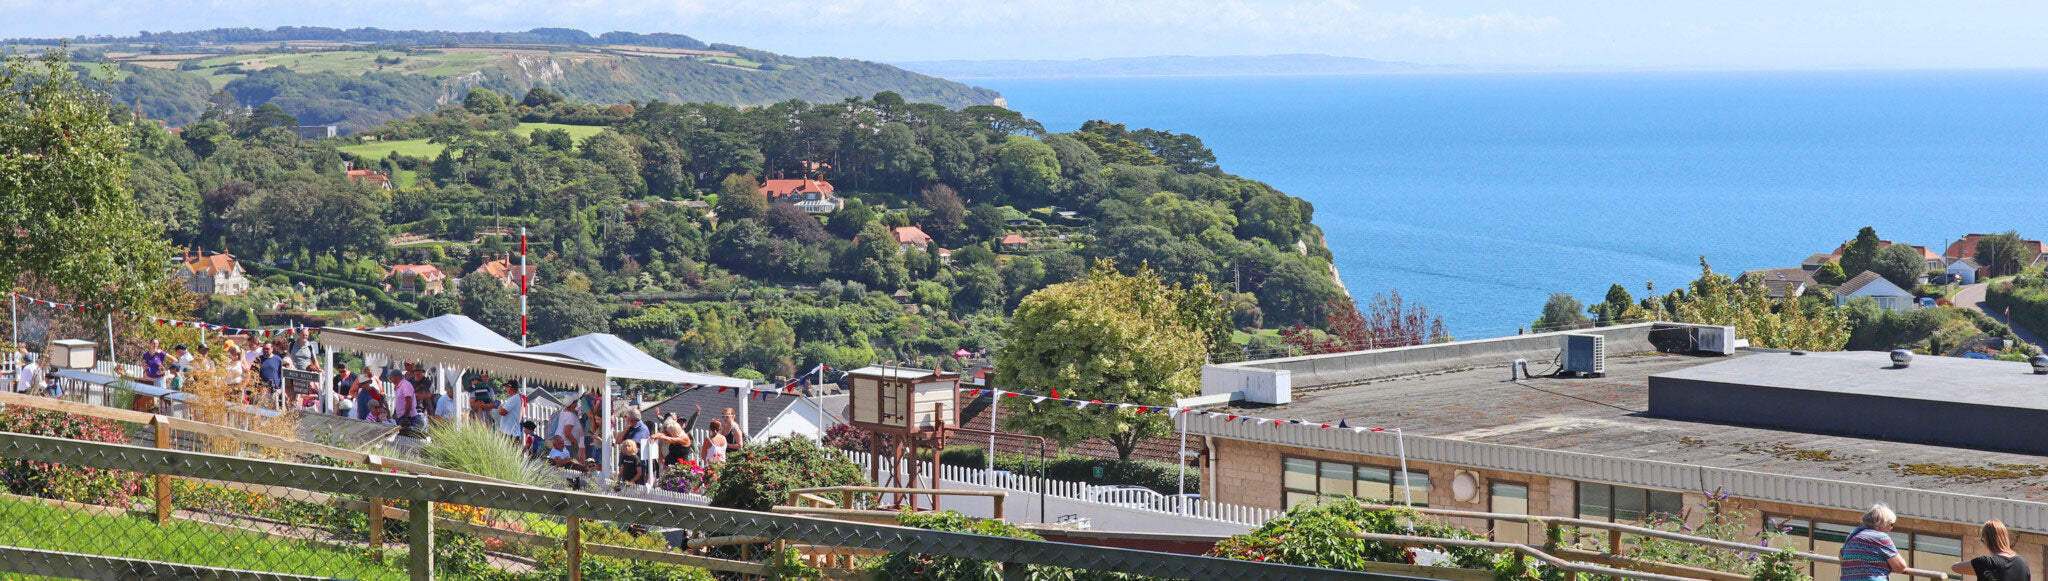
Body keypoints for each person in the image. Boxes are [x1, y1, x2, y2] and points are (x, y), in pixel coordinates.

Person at [1840, 503, 1910, 581]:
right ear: (1882, 523)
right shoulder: (1881, 537)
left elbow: (1841, 557)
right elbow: (1900, 567)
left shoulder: (1854, 534)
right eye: (1891, 524)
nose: (1891, 528)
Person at [1952, 520, 2030, 581]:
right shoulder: (2023, 562)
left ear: (1986, 539)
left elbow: (1955, 567)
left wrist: (1978, 568)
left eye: (1982, 540)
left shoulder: (1985, 562)